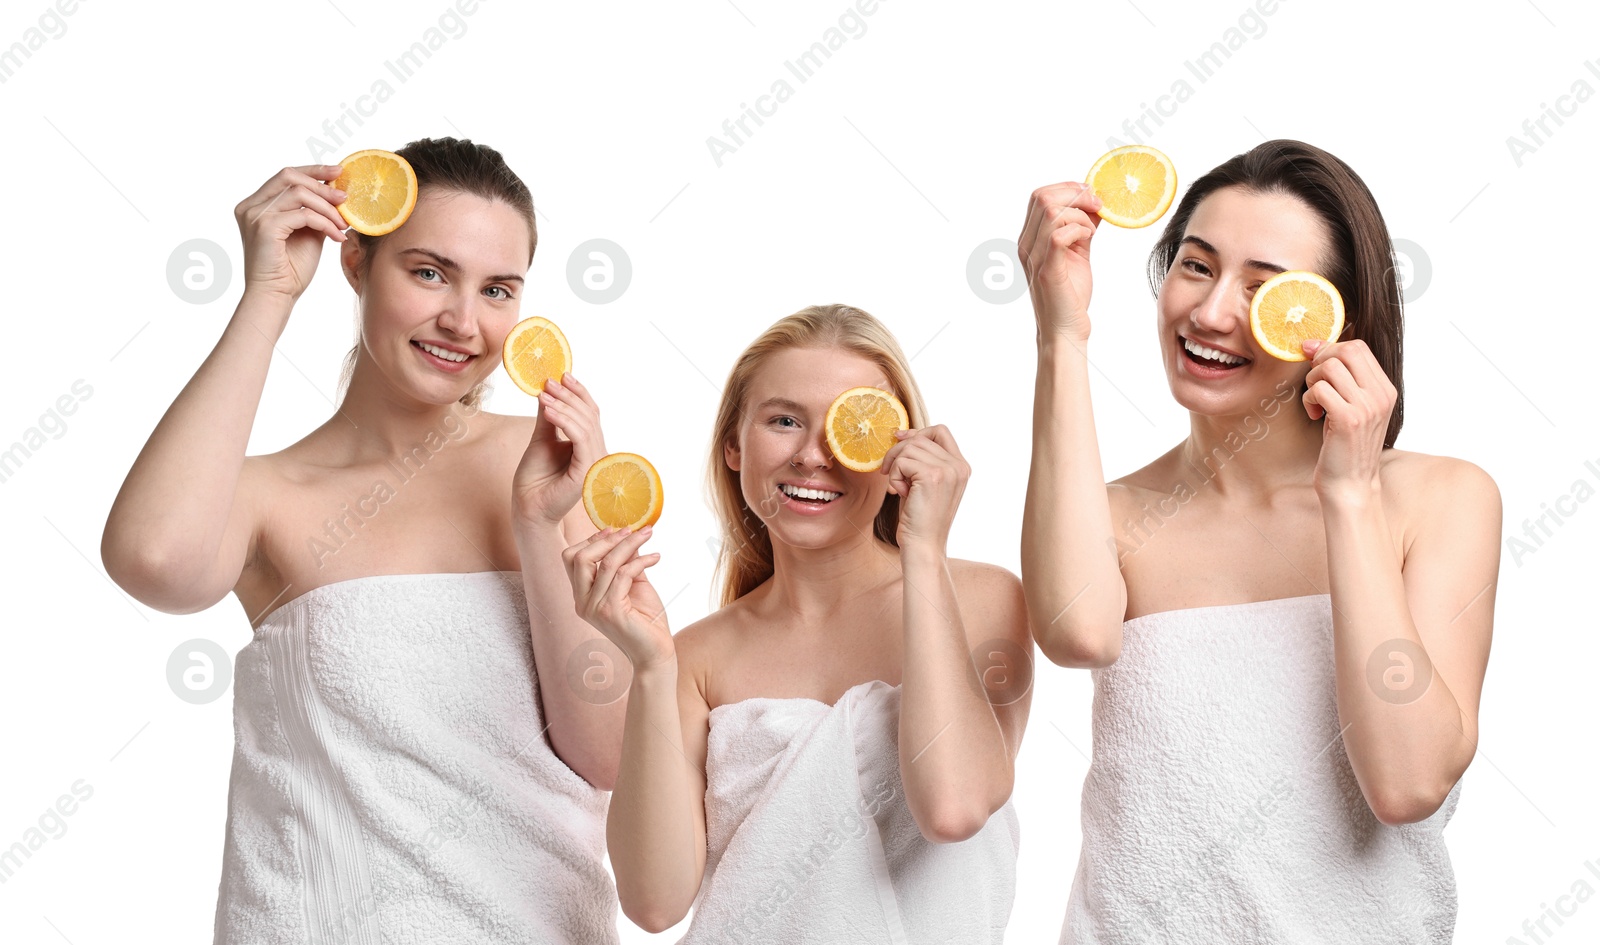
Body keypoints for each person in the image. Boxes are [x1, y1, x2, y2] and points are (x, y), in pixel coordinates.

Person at [101, 137, 625, 944]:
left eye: (497, 289)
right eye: (427, 272)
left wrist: (538, 525)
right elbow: (152, 560)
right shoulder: (272, 495)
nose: (462, 319)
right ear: (356, 265)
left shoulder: (548, 465)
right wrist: (269, 295)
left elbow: (609, 755)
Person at [1017, 139, 1500, 943]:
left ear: (1334, 320)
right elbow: (1076, 630)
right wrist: (1059, 337)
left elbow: (1408, 780)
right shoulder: (1114, 512)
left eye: (1264, 288)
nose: (1210, 313)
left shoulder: (1439, 498)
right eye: (1196, 266)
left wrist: (1348, 495)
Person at [561, 304, 1031, 942]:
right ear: (734, 444)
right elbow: (654, 902)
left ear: (899, 451)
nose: (813, 456)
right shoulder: (695, 658)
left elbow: (953, 807)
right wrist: (649, 668)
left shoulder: (982, 598)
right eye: (784, 421)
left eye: (852, 426)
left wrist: (925, 549)